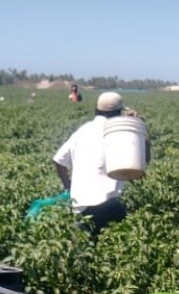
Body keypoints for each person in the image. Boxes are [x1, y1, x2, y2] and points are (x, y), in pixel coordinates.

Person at [53, 91, 148, 233]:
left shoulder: (82, 131)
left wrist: (68, 187)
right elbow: (143, 162)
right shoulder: (120, 133)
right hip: (107, 206)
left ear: (96, 110)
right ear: (118, 113)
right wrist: (137, 127)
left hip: (80, 207)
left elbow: (58, 161)